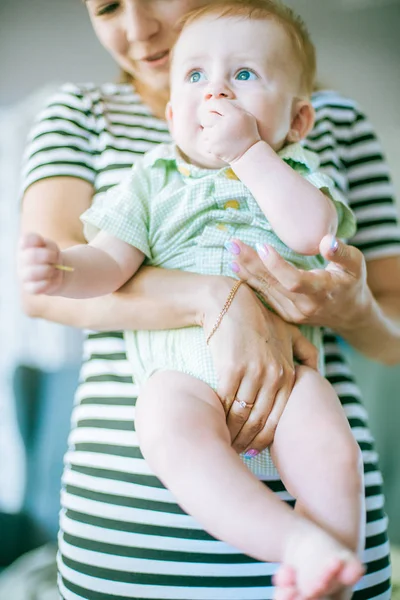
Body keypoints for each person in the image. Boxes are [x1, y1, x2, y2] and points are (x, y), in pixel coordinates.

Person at [18, 0, 400, 598]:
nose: (216, 93)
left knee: (330, 445)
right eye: (197, 78)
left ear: (299, 120)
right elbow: (107, 265)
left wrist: (251, 155)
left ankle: (330, 560)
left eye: (242, 76)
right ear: (174, 116)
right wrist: (61, 266)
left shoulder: (301, 164)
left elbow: (309, 232)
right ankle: (295, 544)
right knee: (167, 422)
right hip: (176, 382)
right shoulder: (150, 180)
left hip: (293, 381)